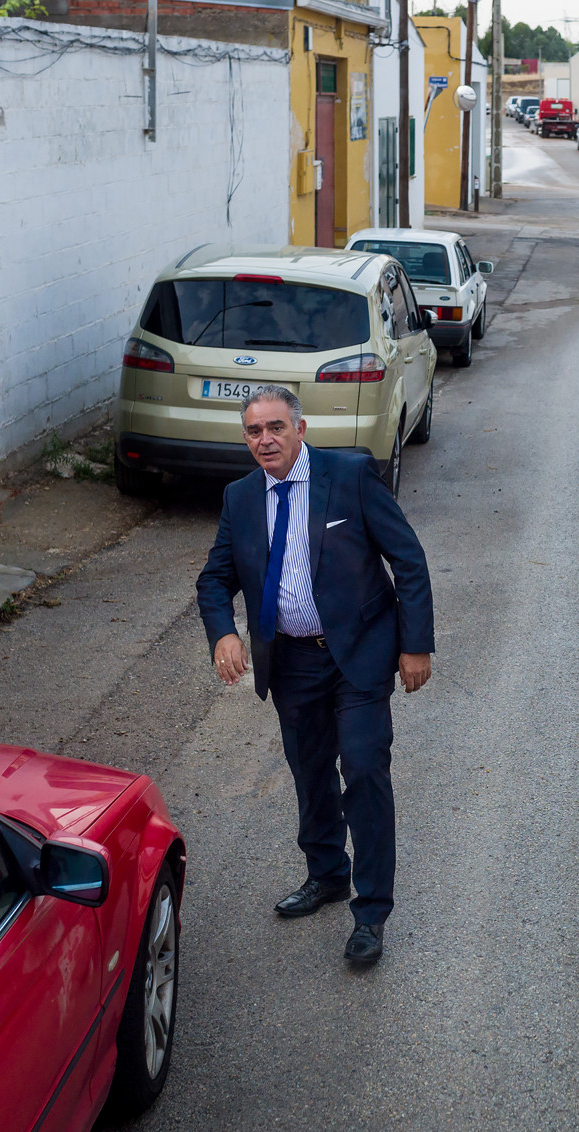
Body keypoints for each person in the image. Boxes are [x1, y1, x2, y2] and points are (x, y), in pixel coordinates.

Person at [195, 386, 434, 964]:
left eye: (276, 427)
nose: (265, 440)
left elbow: (408, 559)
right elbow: (213, 580)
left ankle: (371, 913)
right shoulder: (241, 498)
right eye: (254, 431)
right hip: (293, 662)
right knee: (311, 772)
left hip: (359, 653)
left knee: (363, 768)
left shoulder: (349, 476)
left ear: (300, 428)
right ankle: (328, 874)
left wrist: (415, 646)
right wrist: (224, 631)